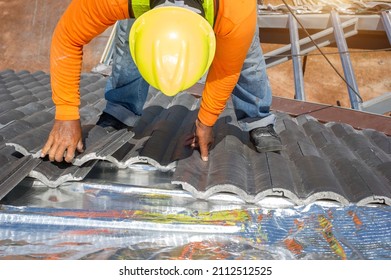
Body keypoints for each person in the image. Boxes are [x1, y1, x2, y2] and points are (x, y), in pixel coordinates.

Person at [41, 0, 282, 163]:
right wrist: (66, 114)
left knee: (244, 49)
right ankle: (121, 111)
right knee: (130, 37)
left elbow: (226, 69)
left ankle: (256, 118)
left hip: (229, 12)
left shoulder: (235, 11)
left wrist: (205, 122)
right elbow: (67, 38)